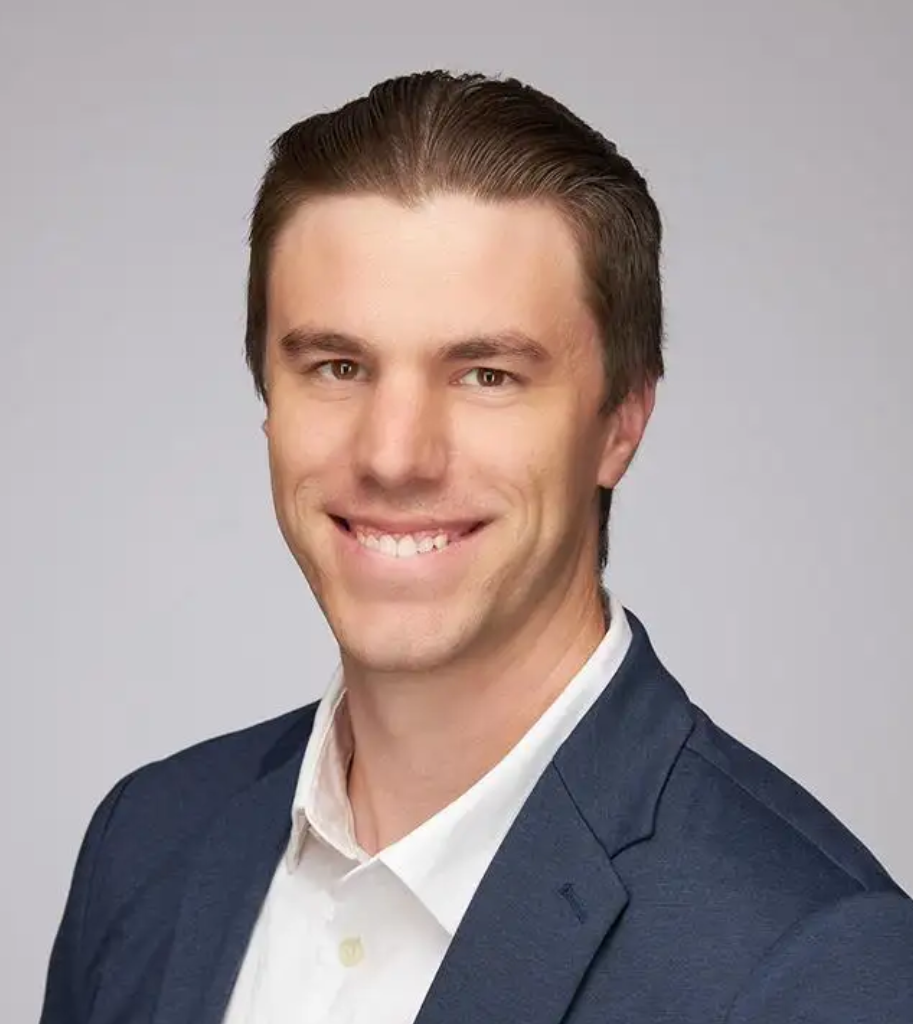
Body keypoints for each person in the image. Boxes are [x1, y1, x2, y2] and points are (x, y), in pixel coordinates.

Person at [40, 70, 913, 1024]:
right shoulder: (146, 843)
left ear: (620, 422)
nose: (393, 456)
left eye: (485, 375)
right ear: (267, 404)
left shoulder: (813, 960)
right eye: (338, 366)